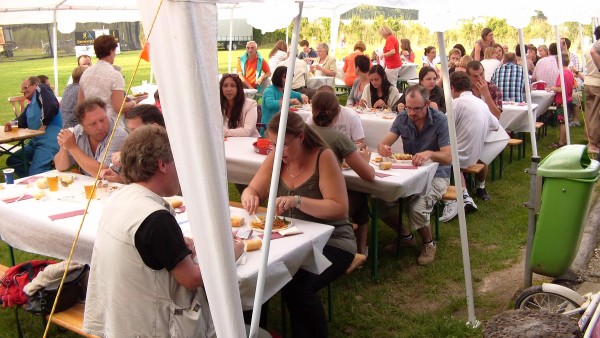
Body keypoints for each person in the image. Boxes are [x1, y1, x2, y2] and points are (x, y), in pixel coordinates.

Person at [84, 125, 244, 337]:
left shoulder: (121, 197)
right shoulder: (156, 218)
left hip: (121, 321)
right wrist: (231, 252)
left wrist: (180, 247)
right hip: (151, 327)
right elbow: (192, 279)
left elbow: (147, 251)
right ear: (162, 164)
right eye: (176, 161)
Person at [241, 112, 356, 338]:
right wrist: (250, 196)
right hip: (291, 240)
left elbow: (339, 208)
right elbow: (252, 189)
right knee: (257, 276)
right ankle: (252, 333)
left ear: (301, 137)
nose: (277, 150)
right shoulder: (277, 156)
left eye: (283, 144)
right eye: (273, 145)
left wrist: (298, 201)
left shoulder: (324, 157)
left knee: (297, 288)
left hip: (332, 242)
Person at [377, 85, 451, 265]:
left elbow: (448, 157)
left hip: (437, 174)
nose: (411, 112)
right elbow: (383, 144)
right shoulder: (403, 117)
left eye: (417, 108)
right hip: (408, 173)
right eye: (409, 107)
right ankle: (405, 236)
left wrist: (430, 154)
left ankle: (429, 243)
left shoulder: (440, 120)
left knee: (417, 207)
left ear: (427, 104)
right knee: (380, 202)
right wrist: (384, 148)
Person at [310, 89, 374, 270]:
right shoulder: (339, 138)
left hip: (302, 198)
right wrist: (366, 161)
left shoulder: (302, 133)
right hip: (323, 202)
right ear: (337, 113)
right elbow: (368, 175)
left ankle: (359, 247)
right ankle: (361, 250)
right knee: (360, 197)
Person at [54, 97, 127, 176]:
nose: (100, 126)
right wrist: (65, 145)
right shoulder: (78, 131)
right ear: (82, 125)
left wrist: (72, 147)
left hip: (115, 186)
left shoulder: (119, 134)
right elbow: (60, 167)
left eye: (102, 120)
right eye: (93, 124)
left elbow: (100, 172)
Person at [6, 77, 62, 177]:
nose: (23, 91)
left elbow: (51, 105)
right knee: (14, 160)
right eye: (22, 89)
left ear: (35, 85)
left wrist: (44, 124)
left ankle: (39, 179)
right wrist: (11, 123)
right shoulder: (31, 105)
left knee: (36, 172)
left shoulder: (41, 88)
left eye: (26, 87)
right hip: (35, 142)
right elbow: (22, 120)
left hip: (49, 142)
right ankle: (32, 181)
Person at [78, 35, 138, 123]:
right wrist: (134, 102)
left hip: (92, 123)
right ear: (111, 51)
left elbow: (80, 104)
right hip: (111, 124)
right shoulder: (115, 75)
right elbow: (119, 107)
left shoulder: (86, 73)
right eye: (114, 51)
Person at [100, 104, 166, 183]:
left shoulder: (171, 148)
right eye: (129, 130)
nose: (130, 136)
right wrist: (120, 179)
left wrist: (128, 156)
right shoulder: (143, 147)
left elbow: (158, 184)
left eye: (135, 130)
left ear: (154, 128)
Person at [548, 54, 575, 148]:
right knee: (565, 121)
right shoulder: (569, 72)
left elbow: (561, 88)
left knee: (562, 122)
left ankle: (561, 142)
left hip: (562, 101)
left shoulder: (562, 74)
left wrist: (552, 88)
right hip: (568, 99)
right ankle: (564, 140)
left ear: (559, 62)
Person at [220, 74, 259, 138]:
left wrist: (223, 132)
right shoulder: (217, 105)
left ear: (239, 88)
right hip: (227, 143)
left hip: (248, 142)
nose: (228, 89)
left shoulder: (250, 104)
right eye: (225, 86)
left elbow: (247, 131)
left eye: (233, 86)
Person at [585, 27, 600, 154]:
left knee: (590, 113)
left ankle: (590, 139)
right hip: (597, 82)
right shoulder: (595, 48)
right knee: (596, 114)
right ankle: (594, 142)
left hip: (588, 81)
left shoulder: (588, 47)